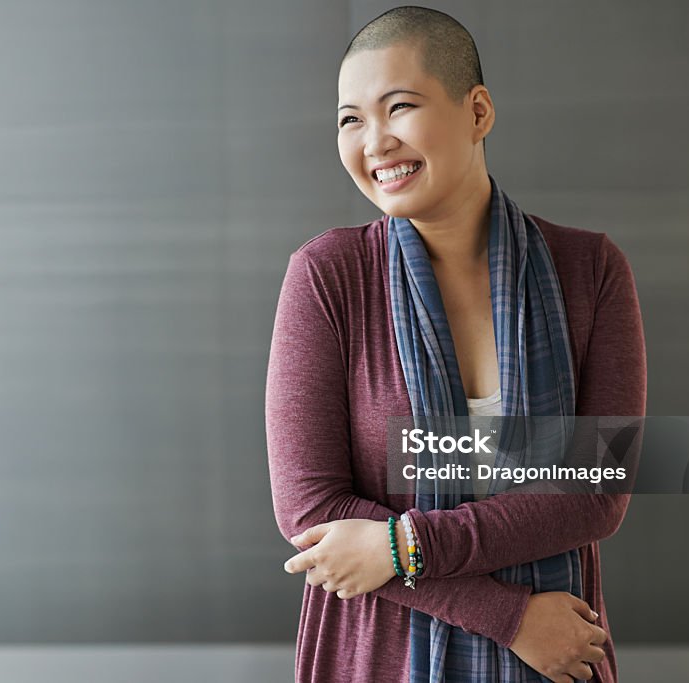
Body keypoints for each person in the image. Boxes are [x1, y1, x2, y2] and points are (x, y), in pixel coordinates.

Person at [265, 5, 646, 683]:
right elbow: (314, 512)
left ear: (478, 112)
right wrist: (510, 616)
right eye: (350, 119)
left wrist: (402, 542)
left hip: (561, 660)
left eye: (399, 107)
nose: (373, 141)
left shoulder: (590, 270)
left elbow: (595, 488)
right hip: (387, 655)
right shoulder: (328, 275)